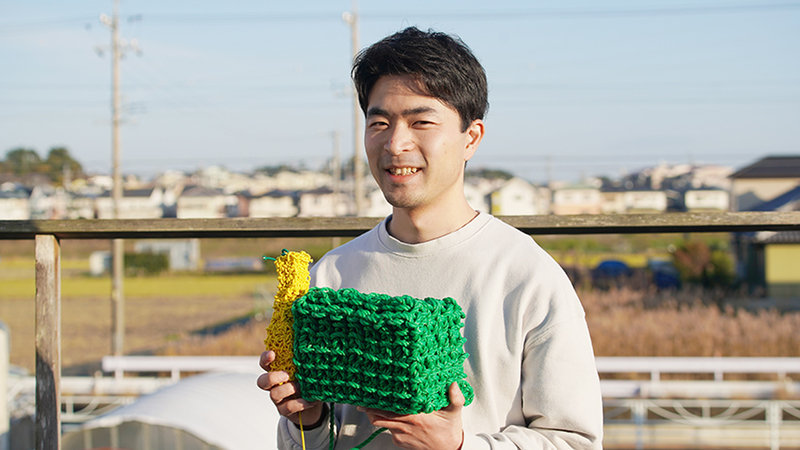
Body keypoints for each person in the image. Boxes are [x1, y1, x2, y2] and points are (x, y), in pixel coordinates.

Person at [257, 26, 603, 450]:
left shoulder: (526, 276)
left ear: (471, 137)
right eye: (379, 122)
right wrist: (308, 420)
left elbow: (576, 441)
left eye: (421, 122)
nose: (396, 143)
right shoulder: (330, 275)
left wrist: (458, 446)